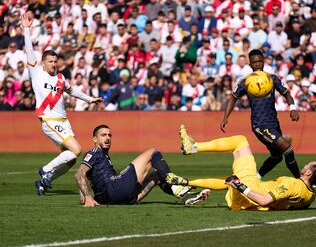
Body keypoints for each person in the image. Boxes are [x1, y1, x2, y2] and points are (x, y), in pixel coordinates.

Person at [21, 13, 102, 196]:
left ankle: (45, 180)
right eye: (50, 61)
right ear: (43, 63)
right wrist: (26, 29)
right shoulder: (36, 72)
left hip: (64, 121)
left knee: (72, 159)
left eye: (56, 61)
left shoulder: (60, 78)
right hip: (49, 119)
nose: (54, 64)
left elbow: (72, 90)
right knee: (77, 149)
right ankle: (45, 169)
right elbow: (29, 50)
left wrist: (89, 99)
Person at [178, 125, 316, 210]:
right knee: (229, 180)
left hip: (251, 191)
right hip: (250, 198)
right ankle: (185, 183)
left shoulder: (292, 184)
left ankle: (194, 147)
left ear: (308, 172)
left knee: (240, 141)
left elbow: (264, 201)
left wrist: (240, 186)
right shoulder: (311, 195)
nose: (304, 165)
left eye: (307, 165)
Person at [219, 49, 301, 179]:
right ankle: (301, 180)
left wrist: (293, 108)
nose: (257, 64)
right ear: (250, 64)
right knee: (288, 150)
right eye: (254, 62)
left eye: (259, 61)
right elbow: (233, 98)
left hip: (274, 123)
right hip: (260, 125)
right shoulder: (245, 81)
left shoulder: (272, 78)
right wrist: (225, 118)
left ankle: (256, 177)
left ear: (263, 62)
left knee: (277, 156)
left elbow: (286, 93)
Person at [75, 125, 190, 207]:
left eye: (110, 135)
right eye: (103, 135)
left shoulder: (103, 156)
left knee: (157, 175)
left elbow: (85, 176)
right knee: (152, 152)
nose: (108, 138)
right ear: (95, 139)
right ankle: (175, 182)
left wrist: (84, 197)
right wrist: (88, 197)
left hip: (114, 199)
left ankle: (185, 195)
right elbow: (79, 174)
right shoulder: (94, 152)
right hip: (115, 189)